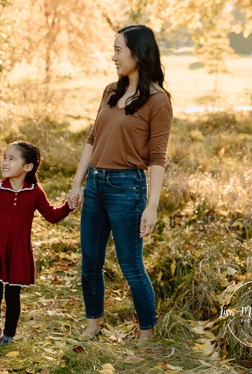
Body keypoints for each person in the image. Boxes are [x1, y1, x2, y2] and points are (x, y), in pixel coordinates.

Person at [68, 25, 173, 341]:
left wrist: (152, 206)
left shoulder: (158, 101)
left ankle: (146, 333)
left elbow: (157, 158)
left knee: (131, 267)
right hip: (97, 185)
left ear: (138, 54)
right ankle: (93, 325)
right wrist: (78, 184)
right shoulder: (110, 91)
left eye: (118, 50)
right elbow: (92, 139)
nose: (112, 56)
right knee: (90, 264)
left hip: (127, 190)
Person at [0, 141, 76, 346]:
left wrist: (69, 206)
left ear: (28, 167)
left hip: (18, 251)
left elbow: (51, 215)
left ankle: (9, 335)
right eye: (4, 157)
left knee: (13, 297)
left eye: (11, 159)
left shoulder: (34, 192)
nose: (5, 162)